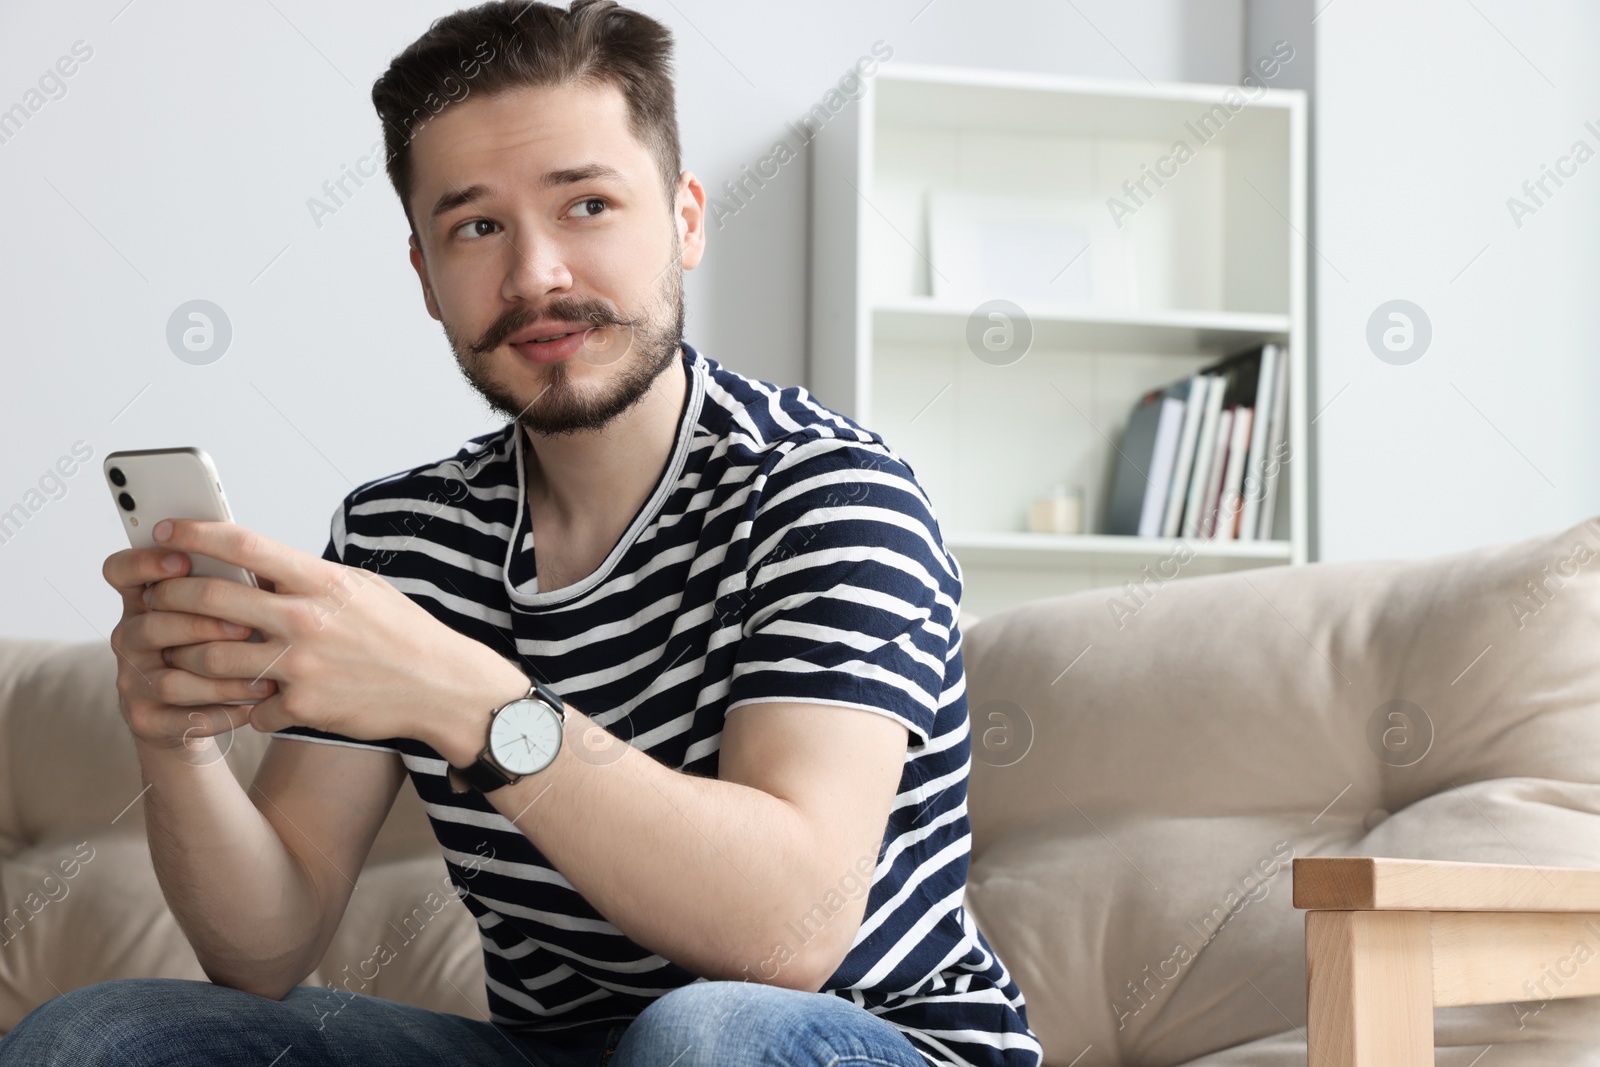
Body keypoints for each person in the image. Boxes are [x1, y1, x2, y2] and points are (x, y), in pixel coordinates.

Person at [0, 2, 1041, 1065]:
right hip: (560, 1049)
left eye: (586, 203)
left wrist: (460, 696)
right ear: (424, 276)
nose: (536, 273)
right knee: (103, 1035)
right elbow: (266, 945)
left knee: (705, 1031)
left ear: (685, 219)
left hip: (858, 1039)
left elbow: (783, 933)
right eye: (477, 226)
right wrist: (171, 739)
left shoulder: (828, 492)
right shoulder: (400, 535)